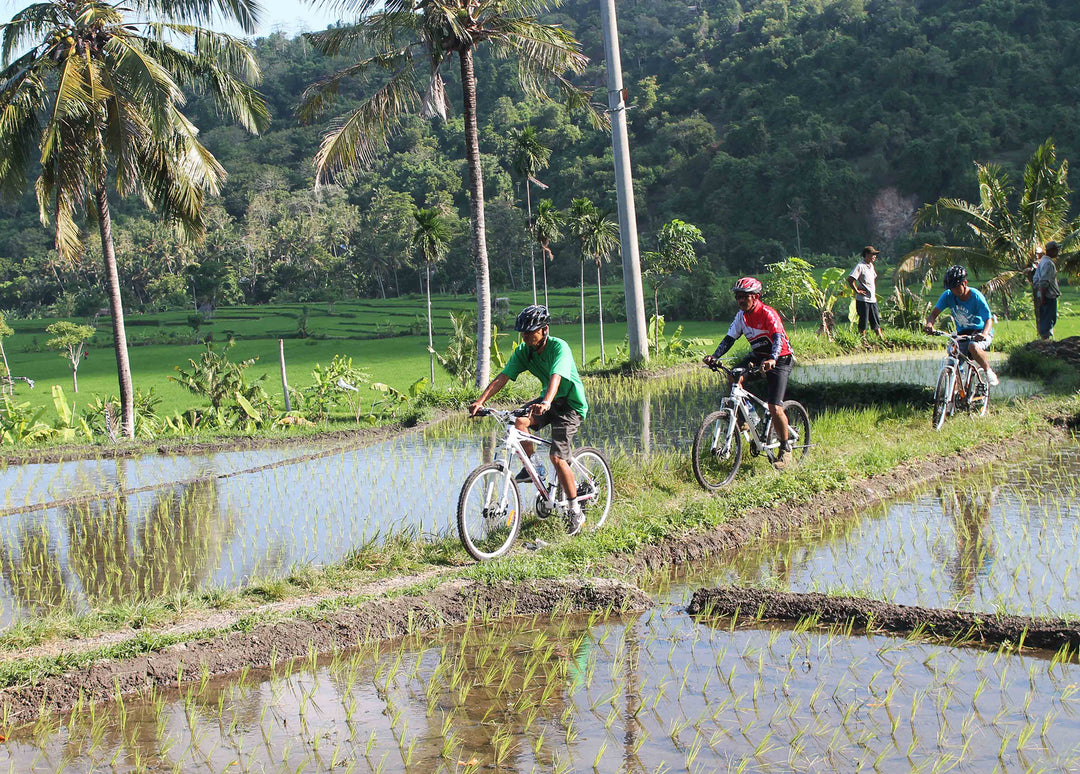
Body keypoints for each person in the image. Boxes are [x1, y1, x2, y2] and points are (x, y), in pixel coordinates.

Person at [470, 305, 590, 534]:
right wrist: (480, 401)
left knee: (558, 456)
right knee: (520, 422)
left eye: (530, 332)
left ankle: (576, 511)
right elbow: (503, 376)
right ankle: (535, 467)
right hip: (548, 401)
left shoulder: (558, 348)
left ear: (544, 330)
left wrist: (545, 402)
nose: (525, 337)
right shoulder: (525, 352)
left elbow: (556, 376)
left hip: (570, 405)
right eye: (522, 333)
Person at [703, 277, 795, 467]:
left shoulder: (768, 313)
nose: (741, 301)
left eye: (745, 297)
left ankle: (785, 449)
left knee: (775, 407)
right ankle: (746, 419)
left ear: (756, 297)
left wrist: (772, 359)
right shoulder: (741, 317)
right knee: (733, 377)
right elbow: (729, 339)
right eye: (738, 297)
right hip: (759, 357)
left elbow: (778, 339)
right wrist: (715, 356)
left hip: (780, 359)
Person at [923, 265, 999, 386]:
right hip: (963, 333)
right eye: (951, 288)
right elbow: (933, 314)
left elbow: (988, 320)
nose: (954, 291)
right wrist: (929, 324)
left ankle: (988, 371)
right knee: (952, 356)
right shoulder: (948, 295)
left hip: (980, 331)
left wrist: (984, 334)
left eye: (956, 287)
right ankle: (954, 393)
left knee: (973, 347)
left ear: (965, 283)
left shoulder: (976, 296)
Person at [847, 245, 884, 340]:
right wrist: (857, 291)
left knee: (875, 321)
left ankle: (881, 339)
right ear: (867, 255)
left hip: (872, 299)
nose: (875, 256)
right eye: (873, 254)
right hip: (863, 300)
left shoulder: (871, 266)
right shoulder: (860, 266)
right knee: (863, 321)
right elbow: (850, 279)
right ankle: (863, 340)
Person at [1033, 241, 1061, 340]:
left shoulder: (1042, 262)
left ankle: (1045, 339)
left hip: (1044, 295)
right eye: (1056, 249)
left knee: (1046, 318)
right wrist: (1043, 297)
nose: (1057, 252)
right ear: (1051, 250)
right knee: (1049, 319)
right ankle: (1046, 341)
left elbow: (1036, 280)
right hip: (1049, 296)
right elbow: (1044, 282)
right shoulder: (1048, 263)